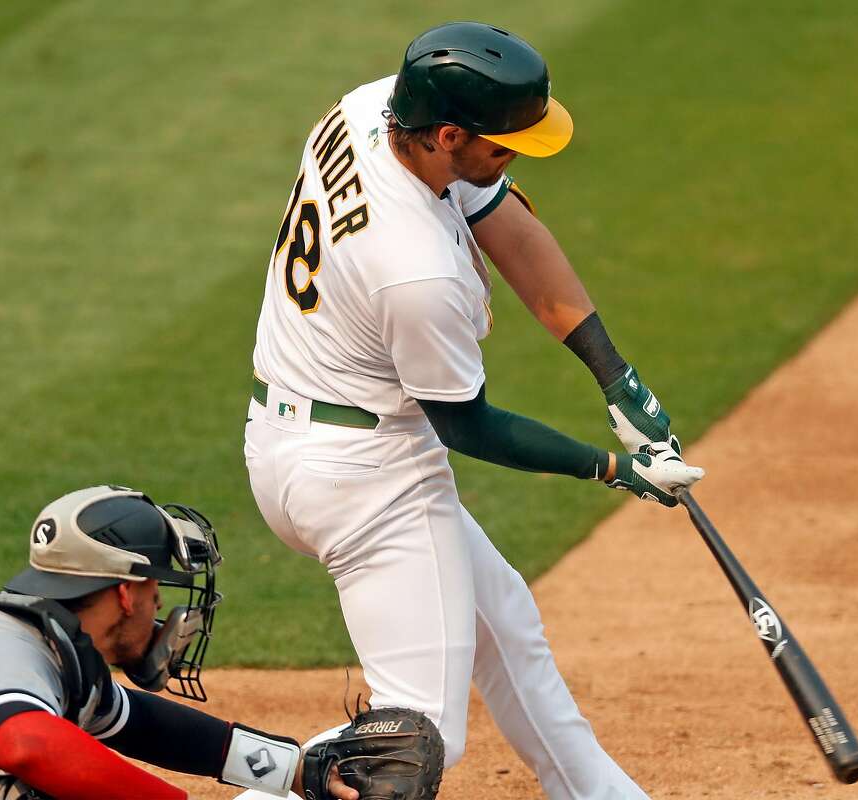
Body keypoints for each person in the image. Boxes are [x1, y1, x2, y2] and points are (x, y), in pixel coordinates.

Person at [242, 20, 704, 799]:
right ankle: (257, 783)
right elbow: (468, 426)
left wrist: (618, 381)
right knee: (417, 737)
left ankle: (596, 789)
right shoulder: (415, 272)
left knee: (505, 626)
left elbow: (509, 230)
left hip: (303, 438)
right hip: (367, 477)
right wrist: (618, 469)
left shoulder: (370, 109)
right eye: (501, 144)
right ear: (447, 134)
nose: (514, 156)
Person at [0, 485, 362, 800]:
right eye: (154, 587)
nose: (160, 603)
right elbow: (29, 745)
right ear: (127, 593)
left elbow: (147, 727)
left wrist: (295, 769)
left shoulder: (55, 653)